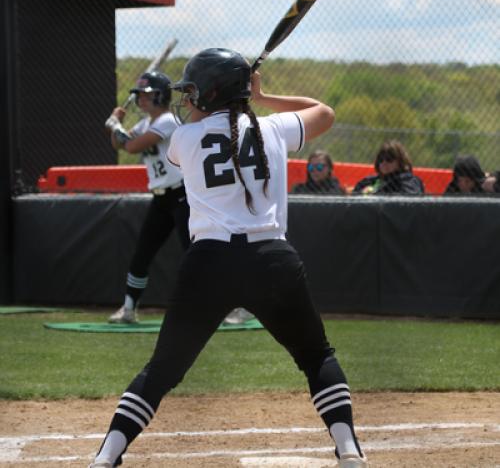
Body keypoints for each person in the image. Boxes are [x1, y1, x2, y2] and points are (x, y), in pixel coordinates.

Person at [89, 48, 367, 467]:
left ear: (211, 93)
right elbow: (323, 112)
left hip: (210, 261)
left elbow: (208, 129)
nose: (188, 99)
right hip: (272, 260)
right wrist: (264, 96)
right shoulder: (273, 129)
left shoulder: (182, 138)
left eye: (195, 91)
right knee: (317, 357)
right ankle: (349, 450)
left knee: (162, 370)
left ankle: (106, 457)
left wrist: (240, 99)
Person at [104, 71, 190, 324]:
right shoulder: (145, 124)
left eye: (146, 94)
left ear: (160, 95)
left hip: (183, 194)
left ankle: (232, 306)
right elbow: (119, 144)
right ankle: (129, 308)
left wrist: (114, 125)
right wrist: (115, 124)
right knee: (143, 252)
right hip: (161, 197)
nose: (140, 99)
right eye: (139, 95)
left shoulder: (168, 120)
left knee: (195, 253)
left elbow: (131, 145)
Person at [352, 139, 424, 195]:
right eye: (381, 159)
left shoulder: (408, 181)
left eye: (389, 159)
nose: (384, 163)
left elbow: (409, 203)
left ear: (400, 161)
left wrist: (376, 196)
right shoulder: (369, 181)